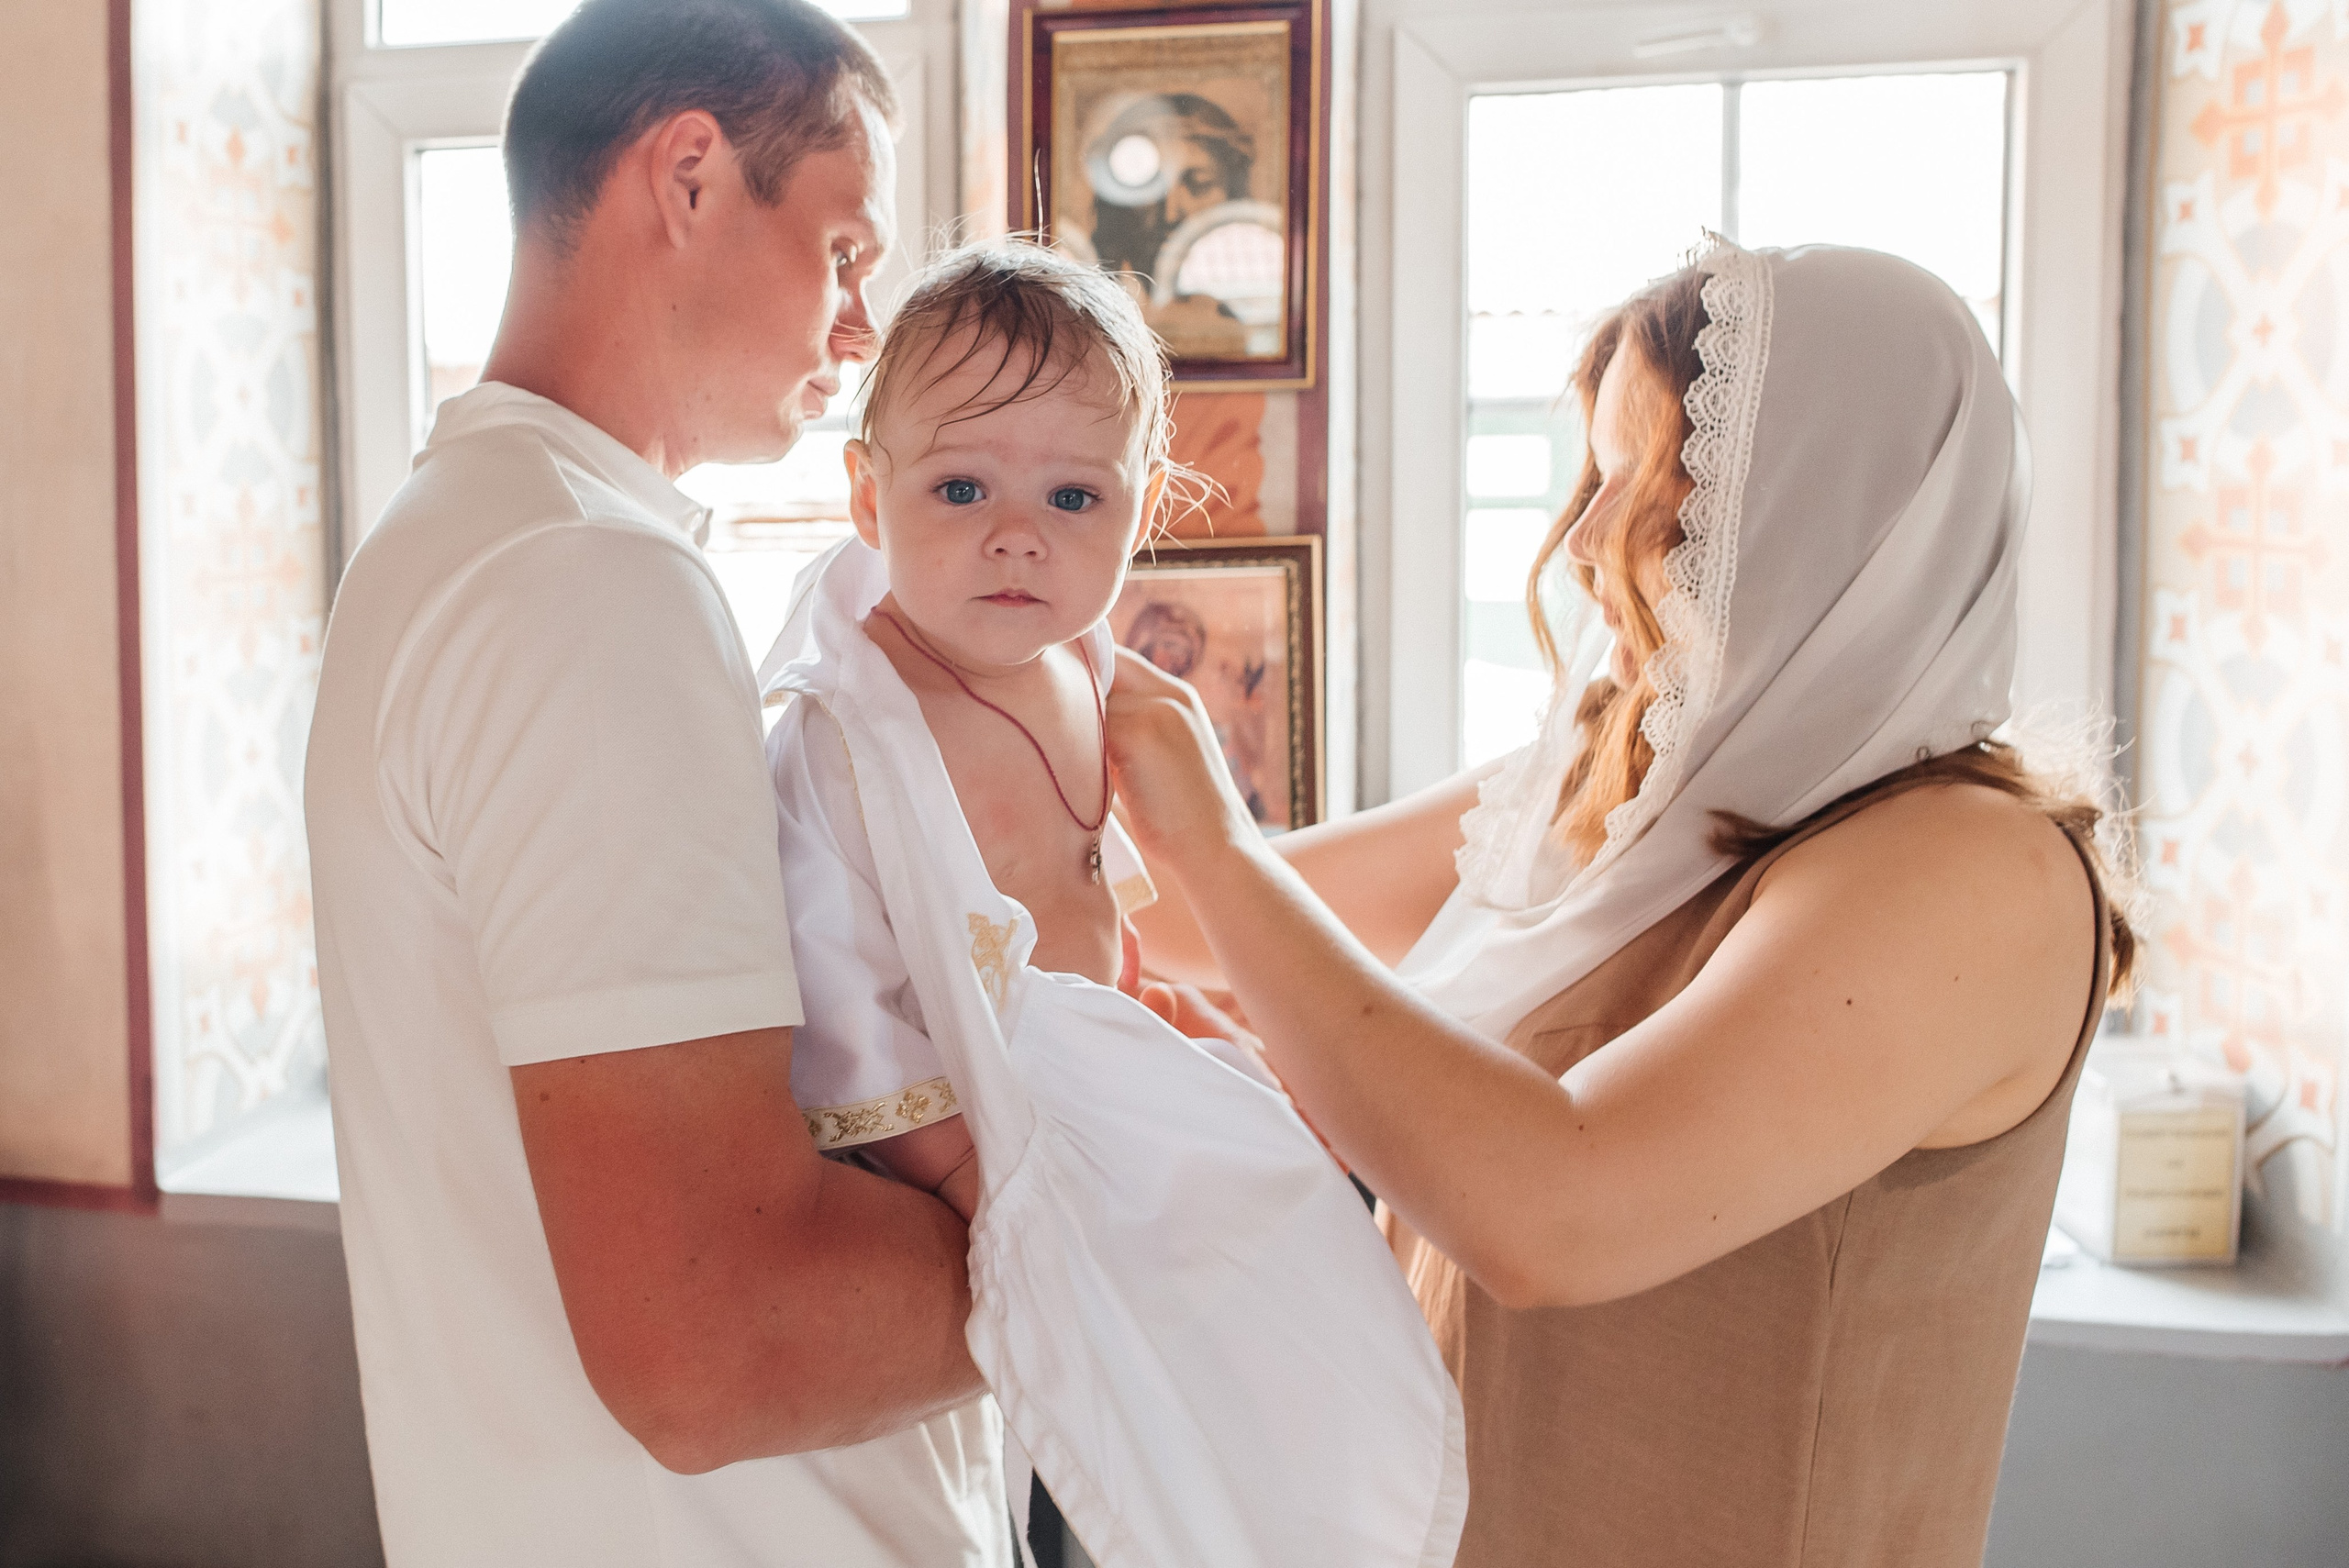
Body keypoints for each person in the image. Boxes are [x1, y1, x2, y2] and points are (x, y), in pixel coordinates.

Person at [1111, 240, 2137, 1567]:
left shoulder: (1967, 867)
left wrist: (1211, 839)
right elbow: (1202, 914)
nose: (1586, 542)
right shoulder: (1615, 780)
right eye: (1587, 481)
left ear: (1821, 506)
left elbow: (1554, 1209)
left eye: (1645, 488)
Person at [304, 3, 1009, 1562]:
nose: (858, 328)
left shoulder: (457, 540)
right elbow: (710, 1344)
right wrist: (1106, 1240)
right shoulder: (583, 581)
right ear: (687, 176)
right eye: (842, 253)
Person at [753, 242, 1467, 1567]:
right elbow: (844, 989)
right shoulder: (844, 729)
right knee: (1107, 1389)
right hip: (972, 1117)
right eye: (960, 486)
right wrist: (976, 1173)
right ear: (866, 492)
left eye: (1072, 495)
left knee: (1291, 1217)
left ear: (1138, 513)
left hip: (1100, 1056)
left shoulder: (1080, 660)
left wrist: (1172, 1003)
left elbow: (1091, 883)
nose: (1016, 532)